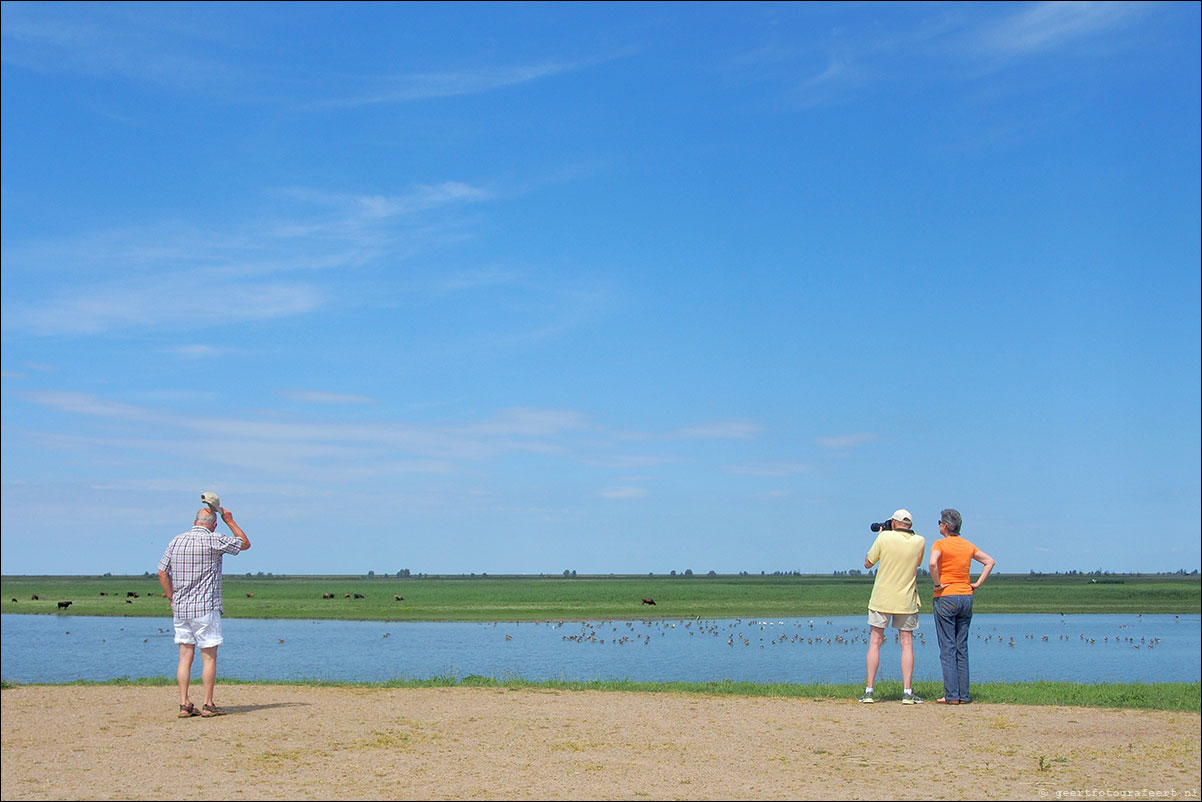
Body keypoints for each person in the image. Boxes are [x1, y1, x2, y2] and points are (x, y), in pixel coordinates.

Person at [157, 499, 250, 718]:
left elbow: (162, 572)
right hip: (206, 607)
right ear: (214, 525)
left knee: (184, 657)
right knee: (208, 657)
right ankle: (208, 704)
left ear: (194, 522)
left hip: (181, 609)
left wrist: (172, 597)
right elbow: (244, 544)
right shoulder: (214, 540)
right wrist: (231, 520)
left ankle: (184, 703)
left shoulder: (176, 541)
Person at [929, 508, 995, 705]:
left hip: (946, 596)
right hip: (966, 596)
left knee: (947, 646)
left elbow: (933, 563)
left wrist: (937, 584)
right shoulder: (967, 545)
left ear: (946, 526)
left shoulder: (940, 544)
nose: (939, 525)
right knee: (961, 646)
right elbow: (989, 561)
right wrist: (977, 584)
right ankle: (964, 695)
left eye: (940, 522)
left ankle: (952, 695)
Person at [861, 508, 926, 704]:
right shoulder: (920, 541)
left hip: (882, 597)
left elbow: (867, 563)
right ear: (910, 525)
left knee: (875, 643)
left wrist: (881, 536)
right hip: (906, 599)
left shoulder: (884, 538)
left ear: (894, 523)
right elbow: (917, 563)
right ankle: (907, 692)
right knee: (907, 644)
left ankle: (869, 691)